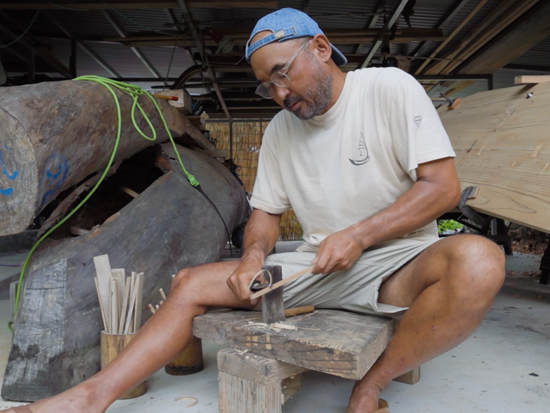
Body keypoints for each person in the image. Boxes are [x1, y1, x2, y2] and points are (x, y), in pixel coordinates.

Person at [3, 8, 505, 413]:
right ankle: (90, 397)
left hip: (397, 265)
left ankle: (372, 383)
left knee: (480, 261)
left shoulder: (387, 89)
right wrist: (251, 259)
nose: (280, 94)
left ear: (321, 48)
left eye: (283, 73)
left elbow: (441, 188)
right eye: (268, 85)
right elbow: (264, 215)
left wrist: (359, 235)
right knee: (189, 284)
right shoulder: (281, 131)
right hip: (317, 266)